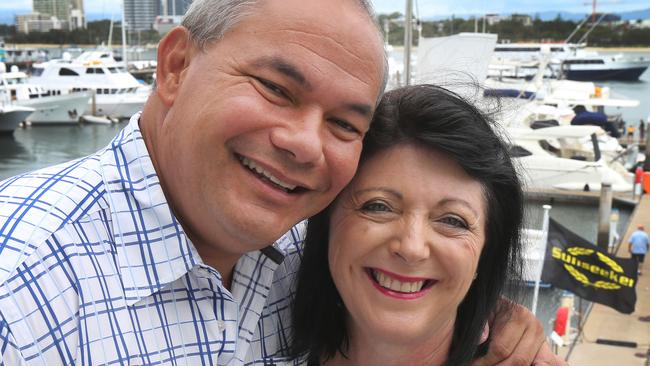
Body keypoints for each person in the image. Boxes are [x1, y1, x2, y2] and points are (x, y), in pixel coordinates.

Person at [0, 0, 556, 364]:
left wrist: (485, 314)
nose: (305, 144)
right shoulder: (24, 289)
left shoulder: (302, 244)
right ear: (174, 67)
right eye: (275, 88)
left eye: (343, 123)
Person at [291, 84, 532, 365]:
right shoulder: (259, 343)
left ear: (485, 254)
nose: (412, 248)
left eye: (453, 221)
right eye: (378, 207)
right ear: (327, 222)